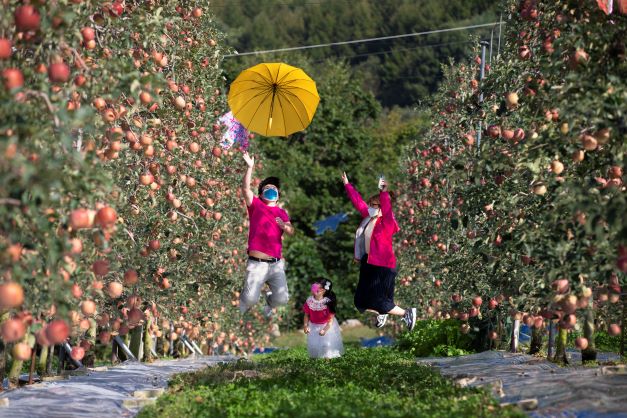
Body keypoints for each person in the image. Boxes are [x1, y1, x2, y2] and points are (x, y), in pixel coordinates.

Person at [342, 172, 416, 331]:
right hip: (368, 263)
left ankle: (406, 313)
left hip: (383, 266)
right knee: (360, 300)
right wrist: (347, 184)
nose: (368, 207)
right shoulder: (368, 218)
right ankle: (382, 312)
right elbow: (358, 202)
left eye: (373, 205)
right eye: (369, 204)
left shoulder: (387, 222)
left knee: (380, 300)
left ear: (381, 207)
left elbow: (387, 207)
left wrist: (383, 192)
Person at [240, 152, 294, 317]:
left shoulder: (282, 212)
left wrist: (284, 226)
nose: (270, 189)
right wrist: (250, 167)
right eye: (267, 188)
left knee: (282, 299)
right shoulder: (256, 205)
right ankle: (242, 305)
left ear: (278, 196)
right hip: (257, 264)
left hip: (276, 264)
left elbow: (292, 231)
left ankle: (270, 302)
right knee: (249, 299)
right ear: (261, 194)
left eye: (274, 188)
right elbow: (245, 189)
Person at [303, 279, 344, 359]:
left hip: (327, 326)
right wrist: (305, 325)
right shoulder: (309, 301)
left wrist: (325, 330)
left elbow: (330, 320)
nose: (315, 290)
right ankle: (315, 359)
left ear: (324, 291)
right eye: (314, 288)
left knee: (326, 345)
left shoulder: (327, 303)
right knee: (314, 344)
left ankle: (327, 359)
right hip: (313, 326)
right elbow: (306, 315)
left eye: (318, 289)